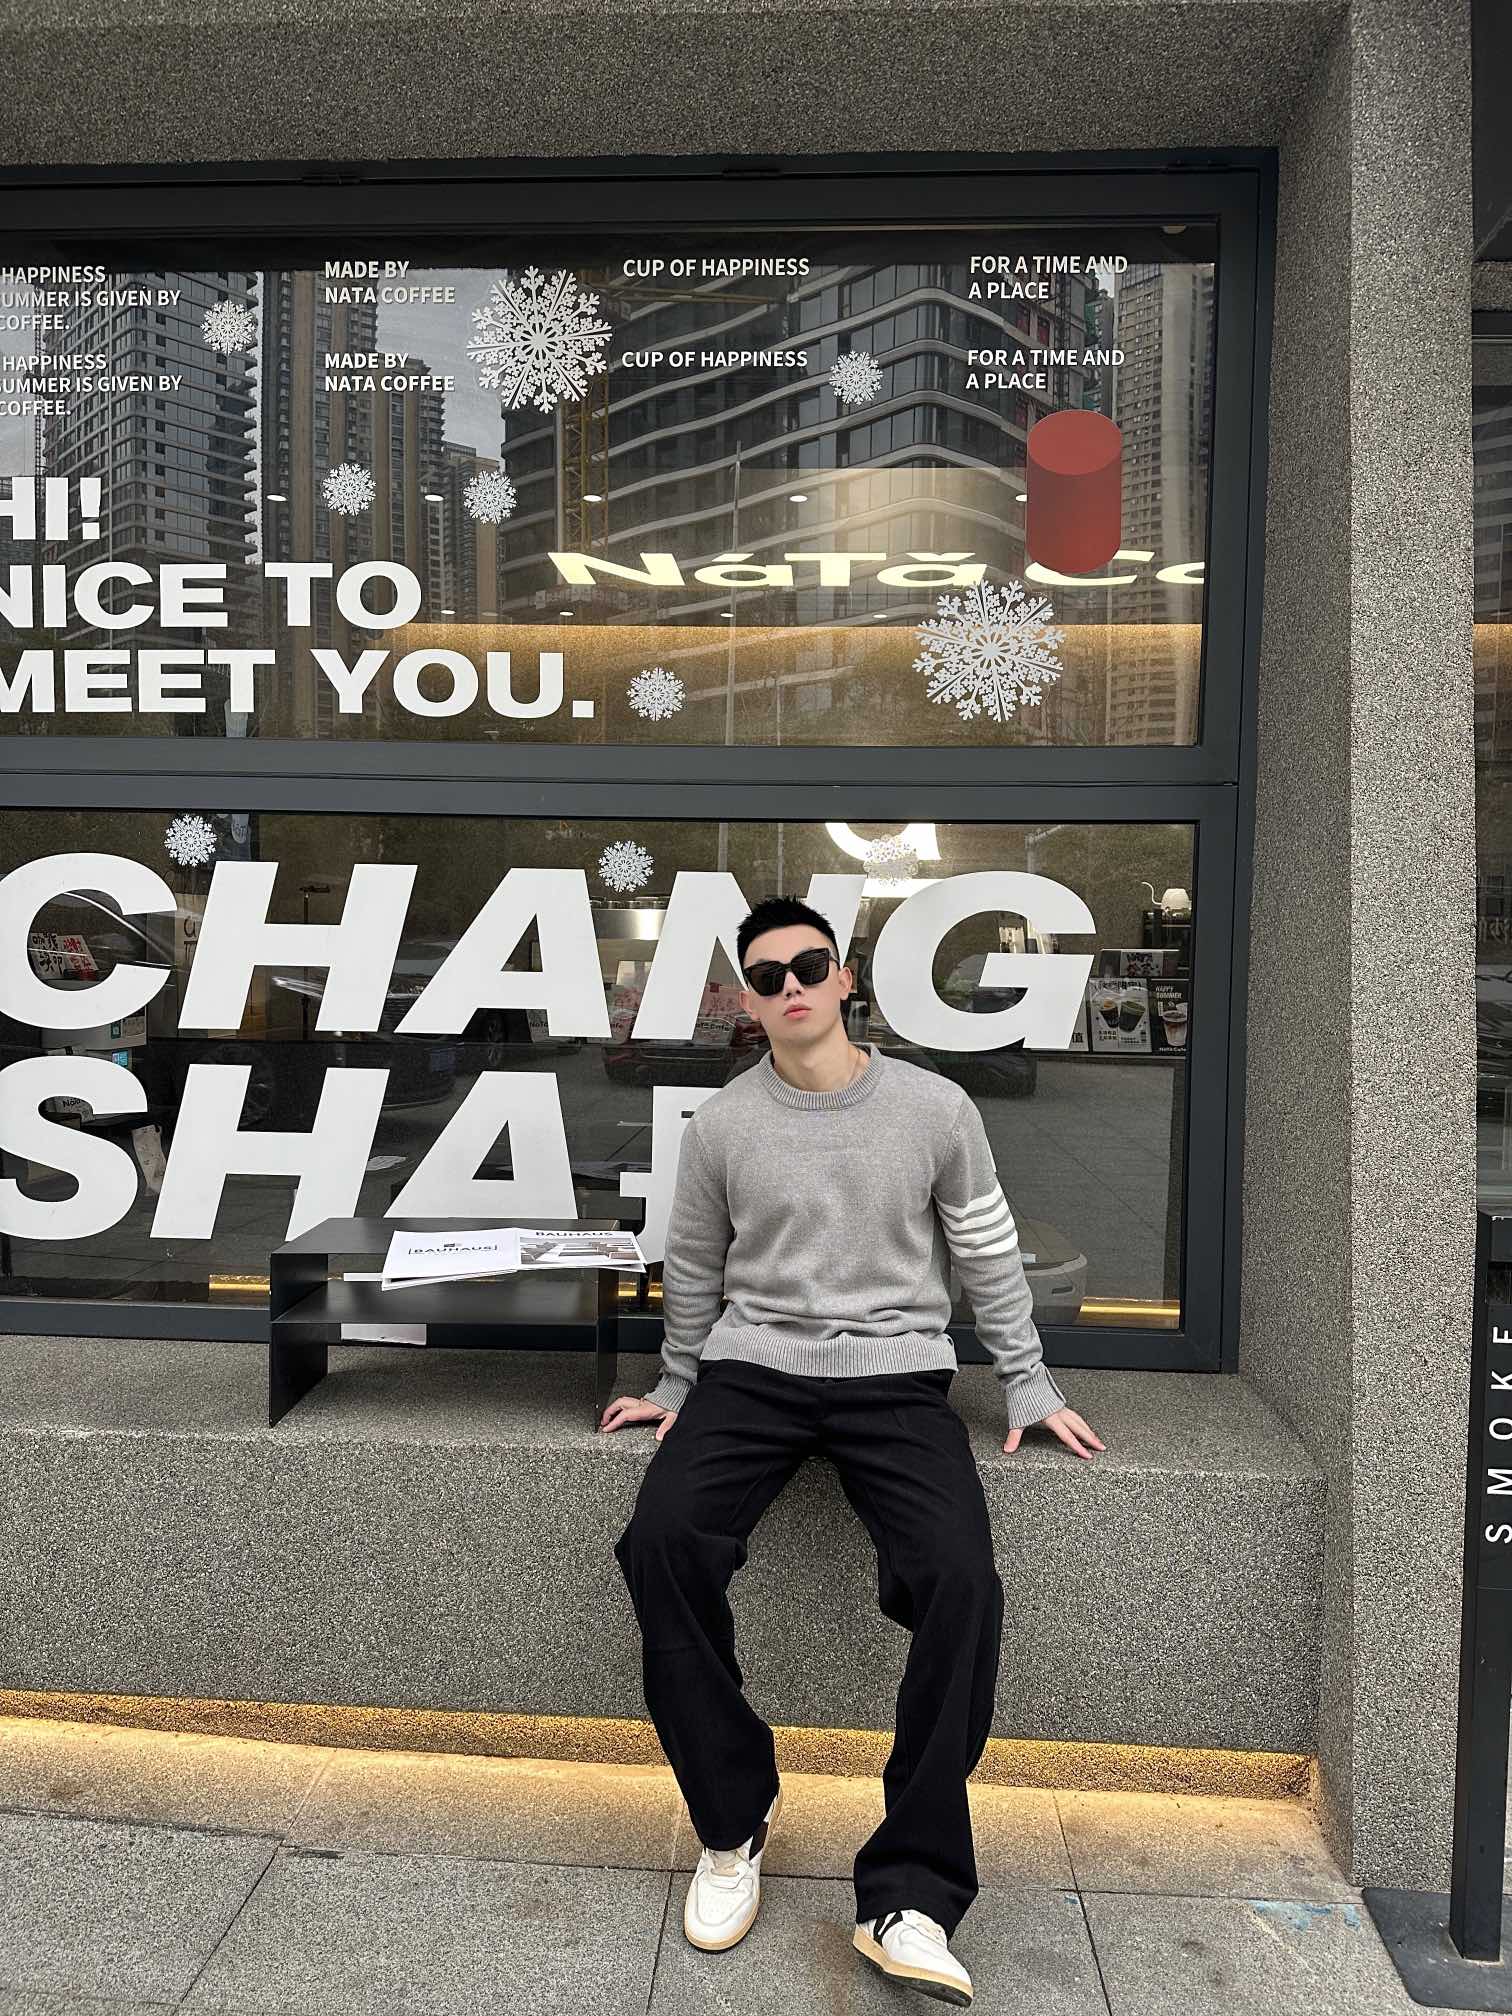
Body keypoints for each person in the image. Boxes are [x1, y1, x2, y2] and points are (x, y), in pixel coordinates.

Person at [602, 895, 1105, 2008]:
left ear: (845, 979)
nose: (789, 987)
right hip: (752, 1372)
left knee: (960, 1578)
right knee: (662, 1542)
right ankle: (732, 1821)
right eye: (766, 976)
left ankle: (912, 1893)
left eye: (809, 966)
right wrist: (676, 1385)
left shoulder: (934, 1107)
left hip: (896, 1377)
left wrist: (1026, 1379)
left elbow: (985, 1249)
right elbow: (696, 1267)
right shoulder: (722, 1126)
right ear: (745, 1001)